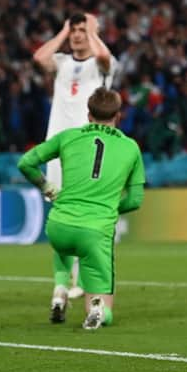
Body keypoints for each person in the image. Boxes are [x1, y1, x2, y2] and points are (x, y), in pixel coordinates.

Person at [17, 88, 145, 330]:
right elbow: (136, 199)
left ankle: (60, 289)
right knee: (99, 295)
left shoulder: (67, 137)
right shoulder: (130, 147)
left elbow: (26, 163)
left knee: (67, 244)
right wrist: (109, 207)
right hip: (95, 231)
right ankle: (97, 310)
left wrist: (47, 187)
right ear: (118, 116)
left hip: (58, 226)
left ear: (88, 115)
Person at [33, 12, 117, 299]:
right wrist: (63, 30)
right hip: (59, 148)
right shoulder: (62, 62)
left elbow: (104, 57)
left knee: (86, 211)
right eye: (75, 31)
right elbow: (38, 59)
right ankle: (65, 278)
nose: (78, 35)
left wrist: (93, 32)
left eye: (82, 30)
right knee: (61, 211)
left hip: (88, 150)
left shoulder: (101, 64)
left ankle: (84, 277)